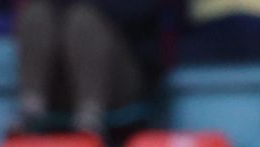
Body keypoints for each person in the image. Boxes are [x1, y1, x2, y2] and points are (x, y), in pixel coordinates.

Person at [15, 0, 163, 135]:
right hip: (58, 80)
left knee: (83, 18)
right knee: (36, 13)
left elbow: (138, 12)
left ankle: (90, 118)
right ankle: (30, 108)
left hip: (119, 78)